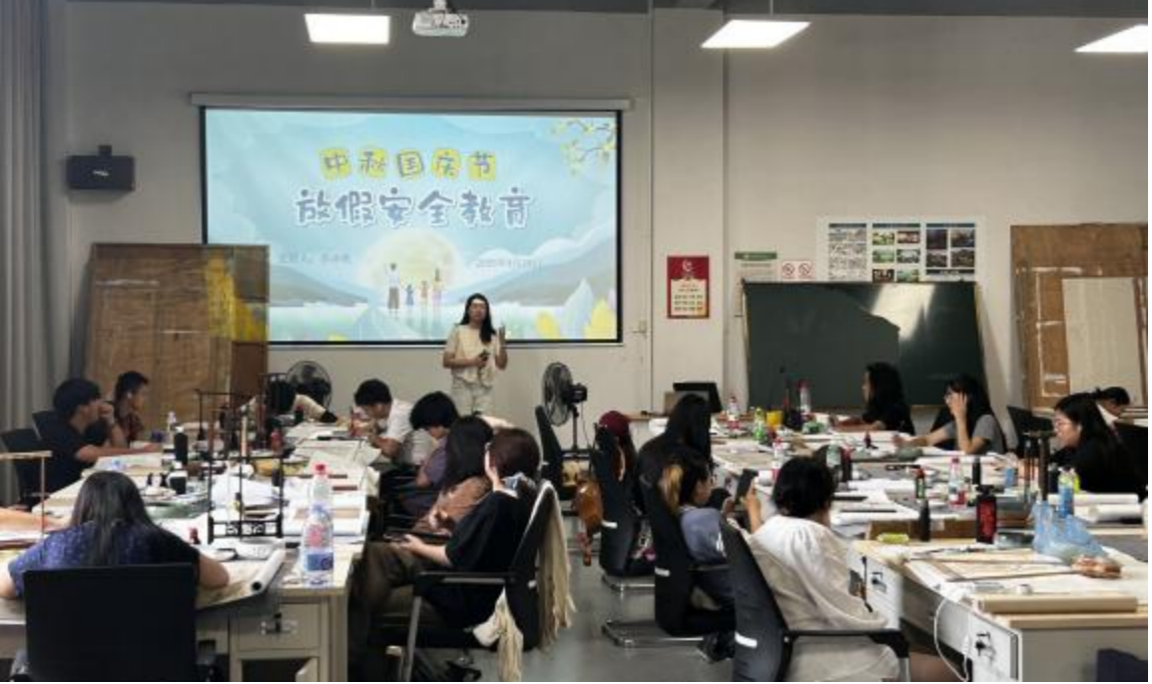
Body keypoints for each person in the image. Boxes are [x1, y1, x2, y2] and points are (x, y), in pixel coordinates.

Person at [742, 458, 958, 682]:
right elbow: (846, 615)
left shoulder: (769, 529)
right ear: (825, 501)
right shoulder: (811, 536)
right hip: (824, 657)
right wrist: (884, 626)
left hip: (783, 652)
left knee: (914, 647)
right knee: (952, 671)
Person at [349, 429, 541, 680]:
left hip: (458, 599)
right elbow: (479, 545)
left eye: (489, 449)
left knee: (369, 607)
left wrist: (418, 546)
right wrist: (450, 525)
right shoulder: (513, 499)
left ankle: (354, 662)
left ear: (493, 463)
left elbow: (453, 557)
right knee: (374, 558)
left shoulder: (498, 504)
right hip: (463, 588)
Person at [0, 471, 229, 600]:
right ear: (135, 505)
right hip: (151, 660)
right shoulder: (157, 540)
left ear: (82, 506)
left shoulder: (56, 545)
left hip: (67, 664)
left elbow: (5, 588)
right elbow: (219, 578)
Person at [38, 379, 160, 494]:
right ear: (83, 408)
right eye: (97, 399)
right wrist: (142, 452)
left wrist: (111, 420)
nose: (103, 404)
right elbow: (88, 454)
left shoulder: (91, 425)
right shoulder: (55, 427)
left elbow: (119, 447)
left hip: (87, 487)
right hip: (62, 492)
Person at [659, 450, 732, 610]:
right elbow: (740, 554)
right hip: (724, 590)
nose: (712, 484)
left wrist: (722, 519)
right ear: (699, 487)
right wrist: (752, 516)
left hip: (699, 587)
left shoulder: (675, 513)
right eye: (710, 479)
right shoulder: (704, 518)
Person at [411, 416, 494, 536]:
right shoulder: (460, 482)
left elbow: (447, 532)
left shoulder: (473, 487)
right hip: (423, 538)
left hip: (430, 543)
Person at [1053, 394, 1144, 499]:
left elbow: (1068, 486)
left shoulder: (1094, 450)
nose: (1056, 430)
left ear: (1080, 425)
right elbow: (1052, 462)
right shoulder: (1076, 446)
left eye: (1060, 423)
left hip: (1123, 507)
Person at [896, 374, 1005, 455]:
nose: (946, 401)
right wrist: (907, 444)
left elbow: (966, 451)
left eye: (950, 395)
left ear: (966, 398)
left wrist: (960, 418)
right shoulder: (959, 423)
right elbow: (927, 439)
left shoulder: (986, 420)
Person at [443, 294, 508, 416]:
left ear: (487, 312)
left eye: (482, 307)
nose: (479, 310)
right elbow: (446, 361)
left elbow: (502, 365)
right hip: (462, 385)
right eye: (475, 306)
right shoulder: (458, 330)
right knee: (463, 422)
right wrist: (472, 362)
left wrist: (503, 344)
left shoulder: (492, 335)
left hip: (485, 387)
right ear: (468, 310)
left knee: (485, 424)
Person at [399, 392, 462, 519]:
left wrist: (429, 457)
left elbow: (422, 482)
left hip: (448, 501)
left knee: (403, 495)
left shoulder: (447, 445)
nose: (429, 433)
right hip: (458, 493)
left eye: (427, 429)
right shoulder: (464, 432)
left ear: (437, 423)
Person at [354, 380, 427, 468]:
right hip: (403, 463)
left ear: (379, 406)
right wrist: (366, 429)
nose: (366, 414)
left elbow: (390, 451)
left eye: (366, 410)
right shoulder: (390, 408)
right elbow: (377, 426)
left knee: (362, 467)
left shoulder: (399, 414)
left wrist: (371, 436)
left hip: (414, 468)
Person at [834, 363, 915, 435]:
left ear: (879, 387)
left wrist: (840, 429)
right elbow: (861, 420)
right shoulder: (878, 405)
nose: (863, 388)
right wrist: (840, 423)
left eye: (866, 383)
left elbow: (875, 428)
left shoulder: (897, 407)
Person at [111, 371, 150, 447]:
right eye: (143, 394)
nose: (145, 399)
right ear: (129, 394)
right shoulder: (107, 416)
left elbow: (141, 443)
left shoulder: (133, 420)